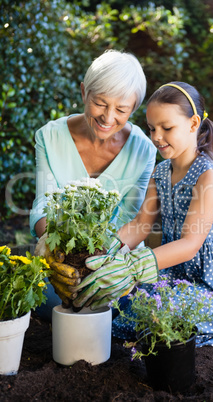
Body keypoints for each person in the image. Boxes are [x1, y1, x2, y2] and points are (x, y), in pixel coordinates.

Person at [64, 81, 213, 347]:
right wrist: (104, 252)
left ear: (193, 124)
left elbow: (190, 245)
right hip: (177, 272)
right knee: (130, 305)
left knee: (159, 316)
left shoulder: (209, 177)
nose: (156, 136)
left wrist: (132, 267)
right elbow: (140, 226)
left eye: (166, 128)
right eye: (152, 128)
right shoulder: (161, 172)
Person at [30, 49, 157, 320]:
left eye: (121, 110)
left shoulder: (143, 150)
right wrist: (53, 253)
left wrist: (99, 267)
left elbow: (131, 217)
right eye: (100, 103)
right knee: (45, 302)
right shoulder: (49, 137)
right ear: (83, 93)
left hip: (116, 257)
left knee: (129, 310)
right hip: (63, 255)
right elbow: (44, 202)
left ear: (133, 109)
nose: (108, 118)